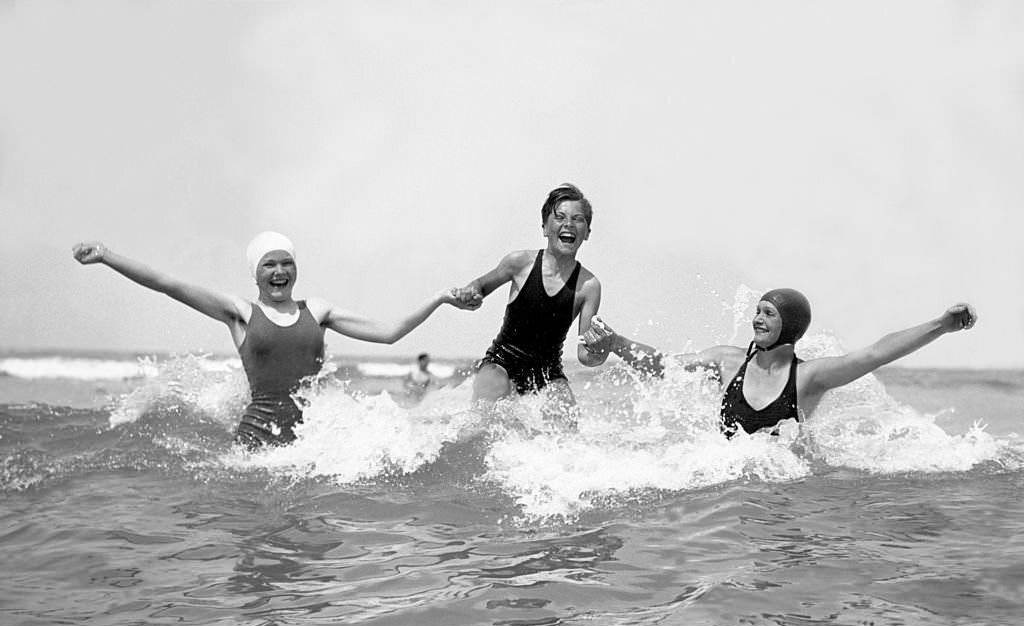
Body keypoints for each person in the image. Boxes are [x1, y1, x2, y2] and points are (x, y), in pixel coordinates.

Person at [72, 232, 474, 448]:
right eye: (270, 264)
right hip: (254, 444)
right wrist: (108, 256)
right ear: (256, 273)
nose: (279, 271)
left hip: (311, 445)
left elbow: (389, 334)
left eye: (287, 263)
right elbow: (167, 285)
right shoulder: (241, 313)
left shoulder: (317, 311)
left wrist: (439, 298)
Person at [581, 288, 977, 437]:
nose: (757, 319)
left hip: (782, 495)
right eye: (757, 311)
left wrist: (941, 325)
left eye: (768, 313)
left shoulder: (808, 378)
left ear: (790, 324)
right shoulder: (726, 362)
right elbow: (663, 366)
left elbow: (876, 353)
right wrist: (616, 341)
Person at [456, 183, 608, 418]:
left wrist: (601, 351)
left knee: (567, 419)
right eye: (560, 217)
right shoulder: (519, 263)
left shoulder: (589, 286)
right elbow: (481, 286)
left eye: (578, 219)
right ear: (545, 227)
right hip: (501, 362)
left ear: (587, 232)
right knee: (487, 412)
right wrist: (470, 292)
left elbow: (585, 355)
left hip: (549, 372)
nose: (568, 224)